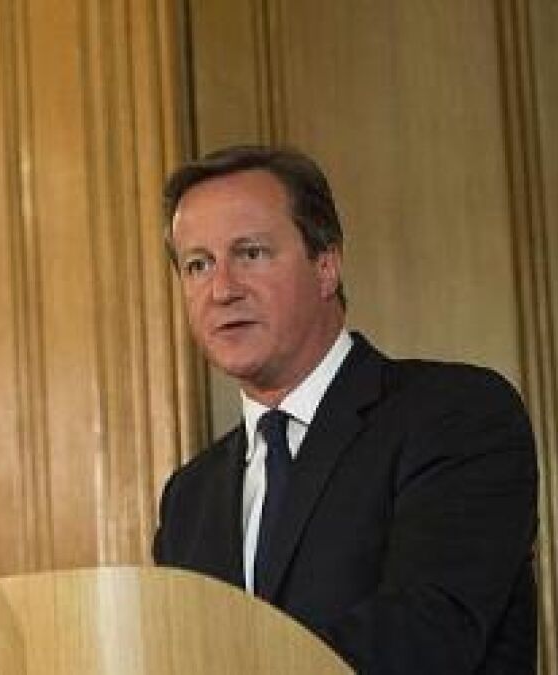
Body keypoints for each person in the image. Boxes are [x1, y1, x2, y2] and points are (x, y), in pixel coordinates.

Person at [152, 145, 538, 673]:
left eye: (251, 253)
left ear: (327, 265)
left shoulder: (457, 415)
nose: (222, 290)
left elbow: (426, 634)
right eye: (198, 265)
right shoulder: (188, 499)